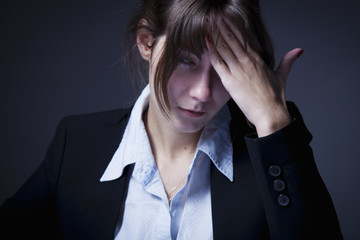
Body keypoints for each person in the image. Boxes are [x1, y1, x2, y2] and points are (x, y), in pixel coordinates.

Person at [0, 0, 343, 239]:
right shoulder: (76, 141)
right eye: (187, 61)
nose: (203, 92)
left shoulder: (272, 158)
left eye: (226, 70)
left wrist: (273, 123)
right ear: (146, 42)